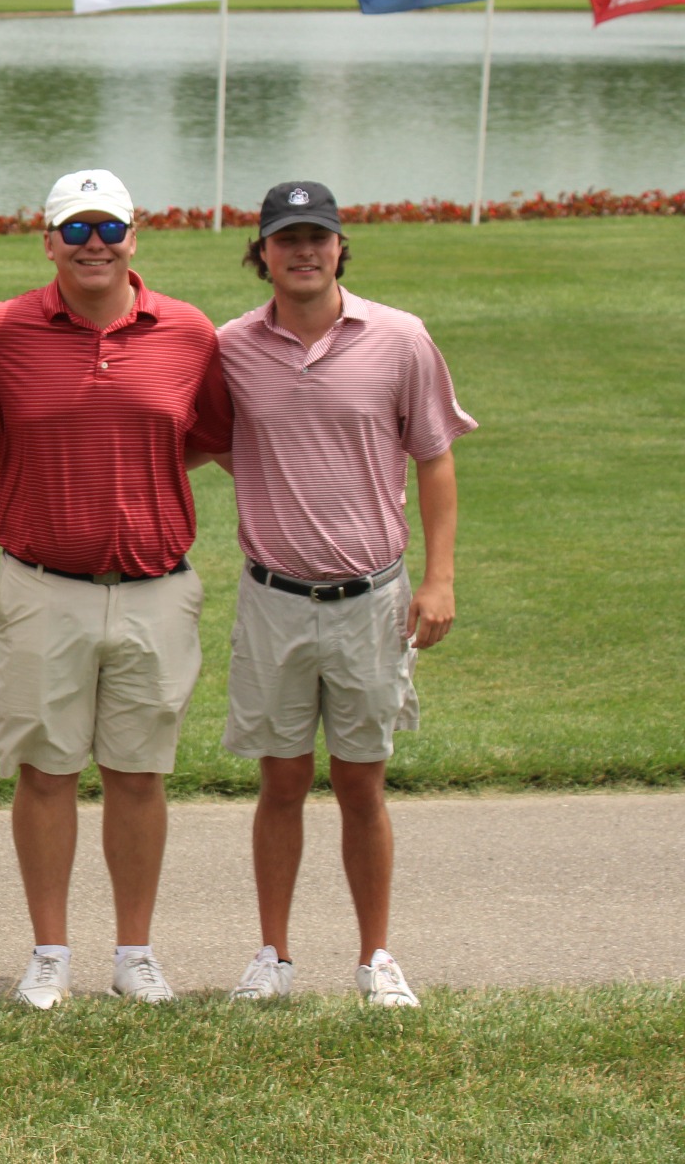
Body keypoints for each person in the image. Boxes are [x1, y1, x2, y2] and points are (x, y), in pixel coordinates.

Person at [0, 168, 232, 1008]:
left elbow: (207, 435)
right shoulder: (2, 333)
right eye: (76, 231)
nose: (93, 244)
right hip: (42, 586)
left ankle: (134, 953)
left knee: (139, 774)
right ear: (49, 242)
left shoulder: (187, 332)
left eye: (109, 228)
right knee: (45, 770)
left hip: (154, 587)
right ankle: (49, 953)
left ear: (134, 237)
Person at [213, 181, 474, 1008]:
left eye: (318, 236)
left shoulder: (400, 339)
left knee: (362, 784)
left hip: (371, 599)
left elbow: (434, 455)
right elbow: (183, 434)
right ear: (261, 252)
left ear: (340, 245)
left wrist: (440, 577)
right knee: (281, 782)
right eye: (286, 238)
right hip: (273, 599)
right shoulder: (230, 347)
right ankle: (274, 956)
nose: (304, 251)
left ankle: (376, 958)